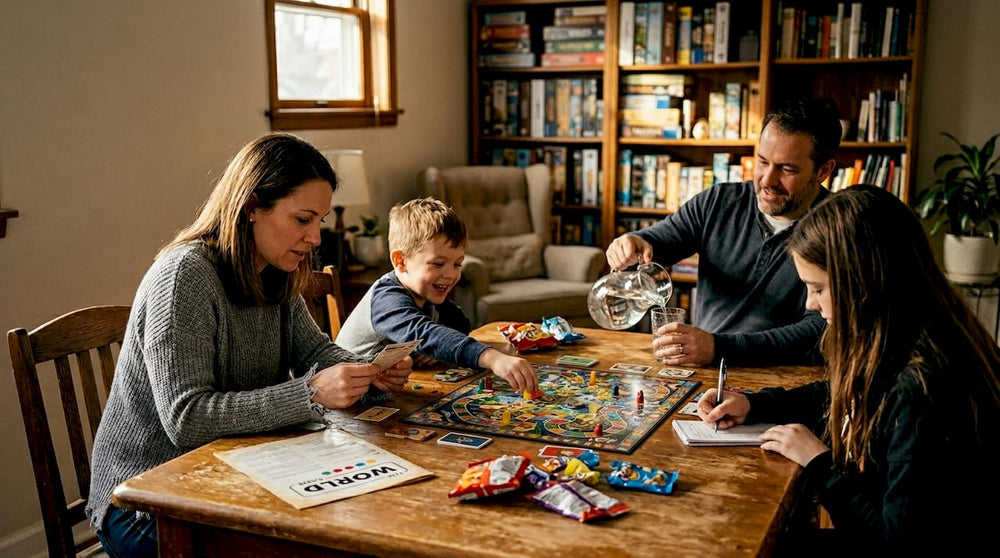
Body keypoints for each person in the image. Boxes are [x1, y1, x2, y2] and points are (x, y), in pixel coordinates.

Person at [86, 133, 413, 558]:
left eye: (320, 221)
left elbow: (314, 352)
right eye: (303, 219)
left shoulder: (275, 268)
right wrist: (311, 393)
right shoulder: (185, 276)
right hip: (145, 499)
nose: (315, 237)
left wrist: (367, 369)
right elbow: (186, 419)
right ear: (251, 207)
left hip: (236, 469)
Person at [698, 185, 1000, 555]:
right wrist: (754, 404)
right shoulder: (907, 331)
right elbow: (842, 390)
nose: (810, 303)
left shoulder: (922, 385)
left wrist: (819, 461)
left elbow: (895, 541)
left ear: (865, 282)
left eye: (819, 288)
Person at [606, 98, 843, 366]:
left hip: (784, 380)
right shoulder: (718, 201)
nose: (767, 180)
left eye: (786, 169)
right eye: (762, 162)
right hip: (702, 369)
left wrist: (720, 348)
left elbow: (819, 330)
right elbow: (658, 242)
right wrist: (633, 244)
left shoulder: (839, 228)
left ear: (823, 170)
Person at [336, 197, 538, 391]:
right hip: (347, 401)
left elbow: (460, 324)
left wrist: (435, 349)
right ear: (400, 262)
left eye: (457, 264)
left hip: (383, 393)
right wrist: (492, 358)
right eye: (438, 264)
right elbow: (423, 332)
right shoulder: (387, 299)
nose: (450, 274)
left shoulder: (426, 294)